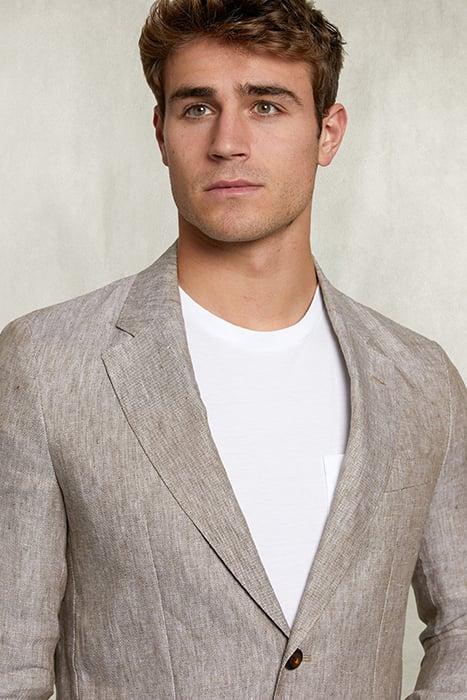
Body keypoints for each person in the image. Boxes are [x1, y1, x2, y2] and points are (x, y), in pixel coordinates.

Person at [0, 0, 465, 697]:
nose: (227, 142)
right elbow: (10, 661)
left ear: (328, 133)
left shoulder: (420, 378)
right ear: (161, 133)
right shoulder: (46, 364)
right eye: (196, 108)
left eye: (266, 106)